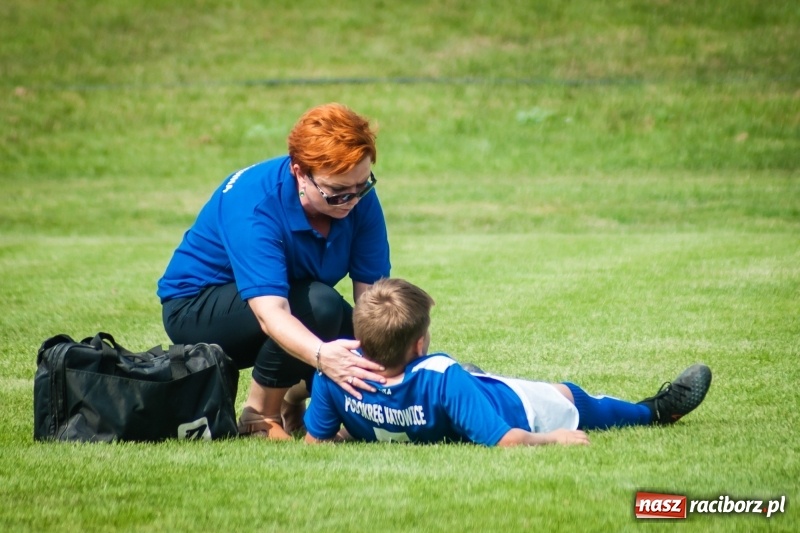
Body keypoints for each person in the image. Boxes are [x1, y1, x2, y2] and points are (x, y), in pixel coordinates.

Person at [157, 103, 391, 440]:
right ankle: (258, 415)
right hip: (198, 309)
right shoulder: (254, 204)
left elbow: (371, 298)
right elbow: (272, 314)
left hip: (295, 298)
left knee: (349, 326)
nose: (351, 200)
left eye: (362, 185)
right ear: (299, 172)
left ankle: (295, 396)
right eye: (337, 192)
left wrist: (392, 371)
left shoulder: (356, 194)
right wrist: (323, 355)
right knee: (319, 306)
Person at [304, 278, 713, 446]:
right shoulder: (441, 374)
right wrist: (551, 440)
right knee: (570, 397)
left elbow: (317, 441)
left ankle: (479, 378)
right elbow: (507, 440)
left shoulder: (332, 373)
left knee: (474, 381)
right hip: (508, 405)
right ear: (420, 344)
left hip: (441, 404)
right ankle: (655, 411)